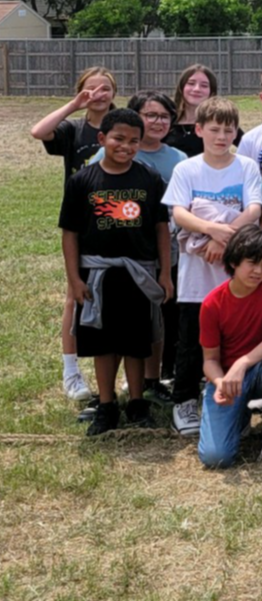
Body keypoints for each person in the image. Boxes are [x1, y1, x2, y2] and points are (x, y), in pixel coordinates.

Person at [58, 108, 172, 436]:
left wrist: (164, 274)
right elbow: (70, 233)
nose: (126, 146)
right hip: (97, 276)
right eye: (118, 139)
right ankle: (107, 405)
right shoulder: (83, 181)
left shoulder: (149, 178)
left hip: (138, 274)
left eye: (134, 141)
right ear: (102, 139)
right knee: (103, 343)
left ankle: (137, 403)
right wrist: (75, 279)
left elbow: (161, 228)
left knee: (136, 342)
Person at [164, 97, 262, 438]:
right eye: (214, 129)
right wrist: (211, 231)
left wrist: (224, 240)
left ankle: (237, 393)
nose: (221, 137)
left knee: (237, 336)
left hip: (234, 272)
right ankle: (184, 401)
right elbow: (179, 213)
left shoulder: (247, 166)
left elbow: (253, 210)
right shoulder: (186, 169)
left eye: (229, 130)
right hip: (196, 275)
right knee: (191, 340)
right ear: (199, 130)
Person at [32, 65, 119, 403]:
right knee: (75, 295)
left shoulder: (121, 124)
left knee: (117, 296)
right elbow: (38, 131)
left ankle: (121, 375)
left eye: (105, 89)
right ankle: (71, 371)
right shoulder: (73, 130)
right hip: (82, 224)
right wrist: (73, 105)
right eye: (90, 89)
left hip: (118, 221)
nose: (98, 95)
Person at [99, 91, 186, 404]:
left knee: (157, 317)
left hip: (165, 251)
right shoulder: (109, 155)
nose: (158, 121)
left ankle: (153, 379)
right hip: (120, 253)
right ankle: (115, 386)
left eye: (164, 116)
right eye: (150, 115)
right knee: (118, 322)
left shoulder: (178, 159)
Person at [196, 226, 262, 469]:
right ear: (233, 261)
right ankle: (239, 415)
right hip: (228, 379)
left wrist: (242, 363)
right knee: (215, 458)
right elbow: (209, 360)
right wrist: (221, 383)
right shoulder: (212, 303)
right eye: (252, 262)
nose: (259, 271)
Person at [166, 64, 219, 157]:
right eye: (191, 83)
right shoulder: (166, 120)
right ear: (181, 87)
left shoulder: (219, 121)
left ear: (211, 91)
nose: (197, 89)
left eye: (204, 85)